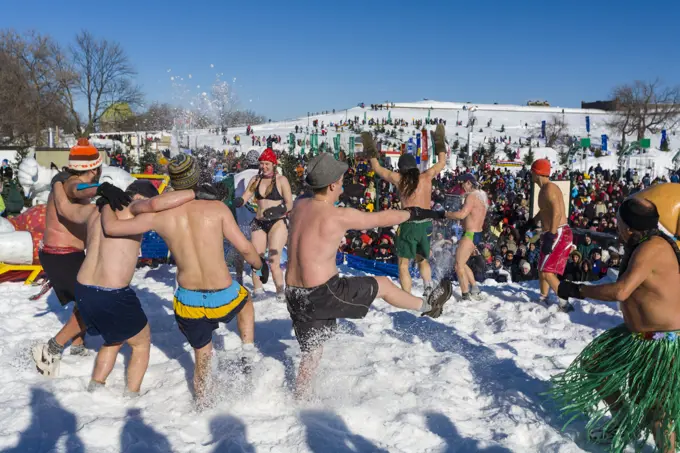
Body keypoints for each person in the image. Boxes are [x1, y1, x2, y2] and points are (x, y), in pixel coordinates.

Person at [100, 154, 268, 405]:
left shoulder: (159, 216)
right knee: (245, 303)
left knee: (203, 356)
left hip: (188, 301)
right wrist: (259, 264)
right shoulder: (217, 209)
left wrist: (104, 202)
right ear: (196, 178)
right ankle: (247, 351)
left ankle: (203, 402)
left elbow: (112, 228)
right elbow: (244, 248)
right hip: (223, 293)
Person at [285, 153, 453, 399]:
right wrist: (414, 213)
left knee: (312, 350)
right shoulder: (336, 215)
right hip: (323, 292)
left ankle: (300, 397)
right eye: (341, 181)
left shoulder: (299, 204)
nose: (343, 184)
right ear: (332, 185)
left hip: (294, 294)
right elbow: (379, 218)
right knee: (383, 284)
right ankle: (427, 305)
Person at [553, 197, 680, 452]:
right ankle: (625, 421)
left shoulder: (650, 249)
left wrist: (578, 290)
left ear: (629, 227)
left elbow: (621, 291)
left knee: (655, 406)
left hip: (660, 342)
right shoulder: (641, 243)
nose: (616, 226)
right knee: (597, 362)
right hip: (638, 337)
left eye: (619, 221)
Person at [52, 179, 197, 395]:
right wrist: (195, 191)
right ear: (138, 196)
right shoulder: (133, 207)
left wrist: (57, 182)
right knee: (141, 342)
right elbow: (154, 205)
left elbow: (63, 208)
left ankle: (97, 385)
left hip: (84, 289)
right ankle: (132, 394)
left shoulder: (95, 210)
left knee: (115, 337)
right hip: (112, 292)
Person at [32, 138, 131, 376]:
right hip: (62, 255)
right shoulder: (70, 183)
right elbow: (76, 191)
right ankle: (51, 349)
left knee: (84, 299)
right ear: (94, 169)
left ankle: (77, 345)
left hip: (65, 254)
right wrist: (102, 189)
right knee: (93, 303)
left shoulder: (66, 180)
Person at [364, 124, 448, 295]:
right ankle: (428, 287)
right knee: (422, 259)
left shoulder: (399, 179)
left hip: (409, 223)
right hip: (426, 224)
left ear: (401, 168)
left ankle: (407, 297)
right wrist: (439, 142)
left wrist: (370, 147)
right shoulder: (426, 176)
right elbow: (442, 162)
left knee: (403, 264)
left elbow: (378, 168)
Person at [234, 148, 293, 301]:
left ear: (273, 164)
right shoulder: (256, 179)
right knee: (257, 260)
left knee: (274, 261)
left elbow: (290, 204)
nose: (264, 167)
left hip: (277, 222)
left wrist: (278, 210)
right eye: (262, 164)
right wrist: (239, 201)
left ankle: (280, 290)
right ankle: (258, 289)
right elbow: (246, 195)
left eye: (267, 164)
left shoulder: (281, 180)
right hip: (259, 222)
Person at [528, 159, 574, 312]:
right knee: (542, 268)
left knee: (547, 271)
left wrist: (551, 235)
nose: (530, 174)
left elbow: (557, 212)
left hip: (558, 232)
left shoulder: (549, 188)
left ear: (537, 173)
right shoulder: (543, 190)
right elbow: (544, 211)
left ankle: (564, 303)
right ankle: (543, 297)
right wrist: (531, 223)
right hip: (553, 232)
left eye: (532, 171)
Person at [444, 174, 488, 300]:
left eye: (462, 183)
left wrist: (445, 214)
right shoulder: (482, 195)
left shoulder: (471, 196)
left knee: (458, 265)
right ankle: (474, 288)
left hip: (470, 234)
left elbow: (461, 215)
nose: (461, 186)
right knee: (461, 262)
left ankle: (465, 294)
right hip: (477, 233)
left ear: (468, 182)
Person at [228, 150, 261, 285]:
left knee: (239, 249)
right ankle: (258, 278)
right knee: (258, 251)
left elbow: (230, 200)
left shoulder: (236, 177)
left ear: (247, 161)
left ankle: (239, 276)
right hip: (259, 221)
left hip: (241, 220)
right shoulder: (263, 177)